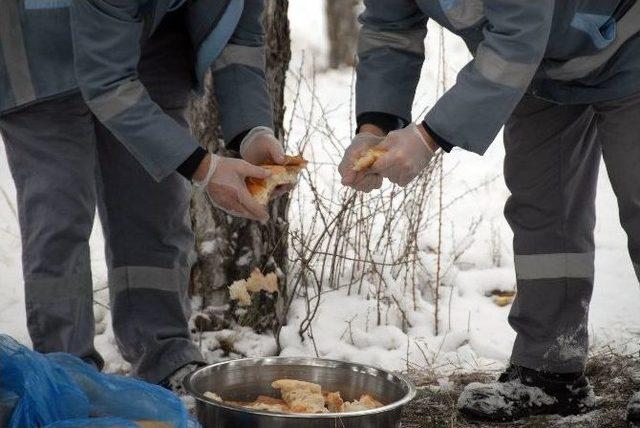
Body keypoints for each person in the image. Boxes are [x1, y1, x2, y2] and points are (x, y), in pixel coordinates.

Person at [339, 0, 640, 423]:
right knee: (543, 209)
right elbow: (391, 29)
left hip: (628, 42)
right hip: (541, 72)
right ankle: (549, 373)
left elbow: (519, 34)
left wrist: (428, 137)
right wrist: (373, 127)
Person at [0, 0, 284, 391]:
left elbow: (239, 36)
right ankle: (67, 371)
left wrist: (252, 131)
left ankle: (166, 356)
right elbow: (107, 82)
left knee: (156, 205)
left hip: (151, 32)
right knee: (59, 213)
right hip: (37, 41)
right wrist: (206, 168)